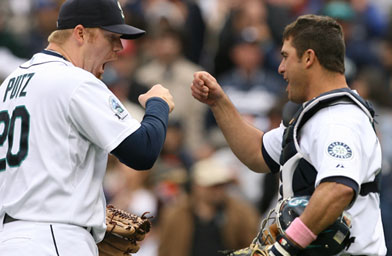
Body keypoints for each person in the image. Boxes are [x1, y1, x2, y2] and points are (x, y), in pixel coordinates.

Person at [191, 14, 386, 256]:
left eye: (285, 56)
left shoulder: (338, 120)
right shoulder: (317, 115)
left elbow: (338, 188)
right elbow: (258, 153)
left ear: (308, 58)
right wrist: (219, 103)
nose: (280, 67)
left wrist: (286, 247)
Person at [0, 0, 174, 255]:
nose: (119, 48)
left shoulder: (9, 84)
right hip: (55, 237)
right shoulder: (74, 80)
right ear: (80, 33)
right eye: (112, 37)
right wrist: (157, 104)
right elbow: (143, 151)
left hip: (10, 238)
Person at [158, 156, 260, 256]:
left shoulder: (241, 214)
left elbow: (251, 247)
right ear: (196, 186)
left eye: (221, 185)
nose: (218, 190)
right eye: (212, 186)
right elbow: (166, 249)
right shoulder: (176, 216)